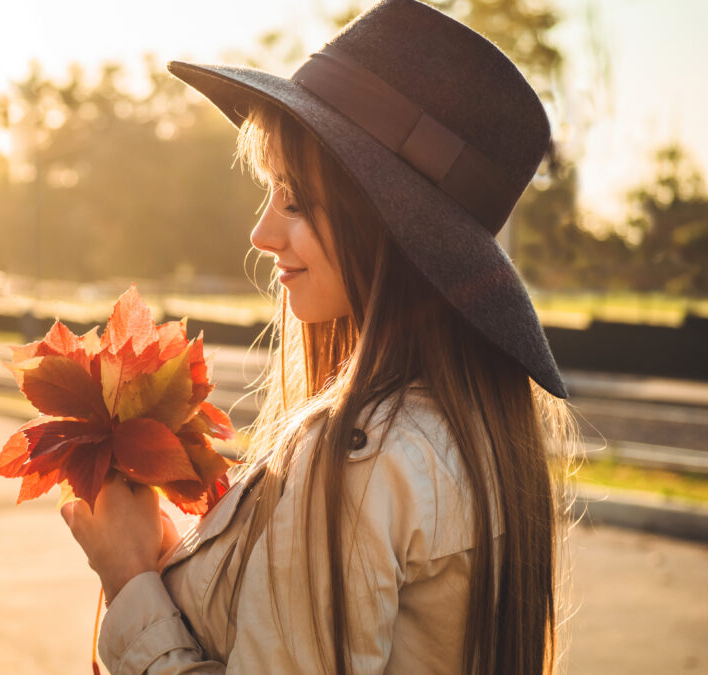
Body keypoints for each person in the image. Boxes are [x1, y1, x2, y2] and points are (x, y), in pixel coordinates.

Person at [60, 0, 579, 672]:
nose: (262, 233)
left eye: (295, 198)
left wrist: (129, 578)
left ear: (385, 223)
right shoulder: (480, 433)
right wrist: (176, 567)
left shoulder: (355, 459)